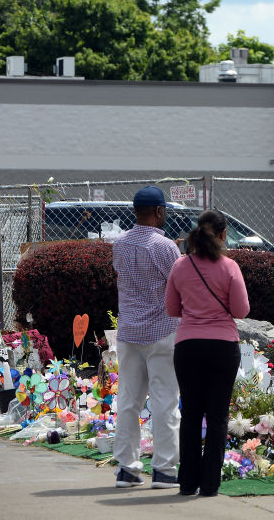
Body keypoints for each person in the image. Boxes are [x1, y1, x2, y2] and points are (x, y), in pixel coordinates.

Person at [165, 209, 250, 497]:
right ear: (224, 235)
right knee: (217, 416)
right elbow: (241, 310)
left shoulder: (180, 266)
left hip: (187, 345)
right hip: (223, 346)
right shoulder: (230, 267)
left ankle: (187, 481)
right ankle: (210, 484)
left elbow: (172, 309)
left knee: (190, 414)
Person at [110, 186, 181, 489]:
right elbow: (178, 285)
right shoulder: (165, 247)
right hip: (162, 332)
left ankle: (127, 469)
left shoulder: (120, 244)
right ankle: (164, 470)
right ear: (159, 211)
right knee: (165, 401)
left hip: (127, 332)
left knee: (128, 400)